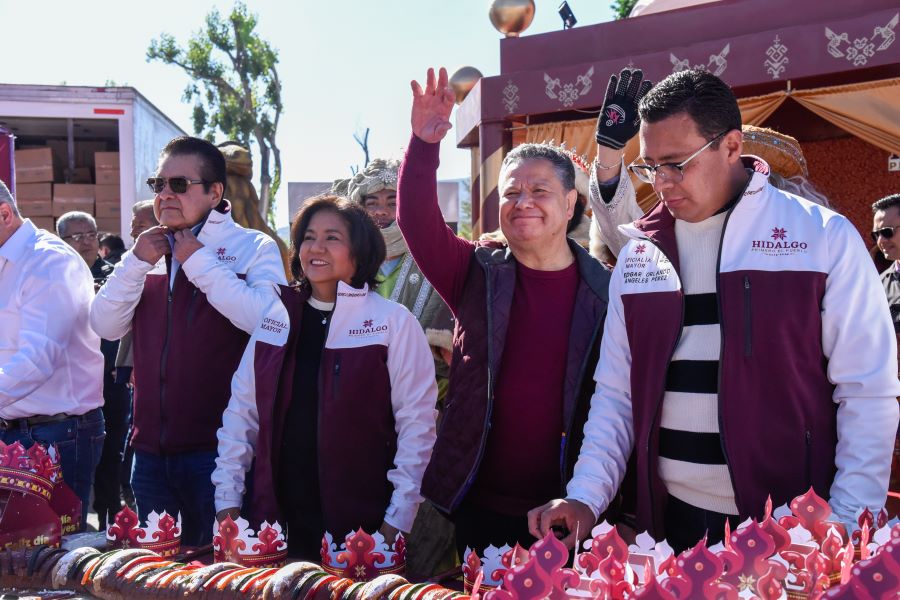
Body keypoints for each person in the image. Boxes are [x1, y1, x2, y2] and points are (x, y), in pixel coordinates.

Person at [528, 69, 900, 552]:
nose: (661, 182)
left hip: (794, 529)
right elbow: (616, 395)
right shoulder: (641, 252)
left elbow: (866, 393)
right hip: (669, 526)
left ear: (730, 146)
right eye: (649, 167)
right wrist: (584, 497)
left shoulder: (822, 237)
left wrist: (848, 519)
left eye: (677, 163)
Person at [397, 67, 612, 556]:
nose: (523, 202)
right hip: (474, 501)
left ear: (571, 202)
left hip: (567, 509)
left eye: (540, 191)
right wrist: (424, 143)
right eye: (512, 192)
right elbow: (416, 219)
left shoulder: (606, 291)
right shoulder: (476, 271)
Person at [212, 195, 437, 560]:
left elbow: (417, 428)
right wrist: (227, 499)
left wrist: (398, 518)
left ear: (360, 252)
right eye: (308, 237)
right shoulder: (276, 316)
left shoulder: (392, 322)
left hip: (364, 524)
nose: (316, 248)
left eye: (332, 237)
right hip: (277, 520)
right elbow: (241, 415)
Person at [90, 136, 286, 545]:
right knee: (157, 581)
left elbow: (269, 322)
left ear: (215, 192)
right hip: (148, 456)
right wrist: (134, 263)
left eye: (179, 184)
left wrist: (198, 261)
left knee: (221, 580)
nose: (165, 194)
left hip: (221, 458)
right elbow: (105, 325)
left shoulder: (252, 246)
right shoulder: (146, 251)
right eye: (157, 184)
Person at [0, 182, 105, 527]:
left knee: (52, 560)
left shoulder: (47, 261)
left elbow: (35, 360)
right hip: (18, 429)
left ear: (4, 215)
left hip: (57, 433)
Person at [347, 160, 455, 398]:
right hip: (355, 396)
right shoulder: (347, 260)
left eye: (392, 202)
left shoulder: (434, 255)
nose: (380, 211)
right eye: (371, 203)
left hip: (427, 400)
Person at [57, 211, 130, 529]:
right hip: (69, 385)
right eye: (77, 236)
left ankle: (111, 522)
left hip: (109, 380)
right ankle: (72, 525)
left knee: (112, 453)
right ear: (61, 241)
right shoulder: (54, 278)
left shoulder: (112, 275)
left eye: (91, 234)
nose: (86, 241)